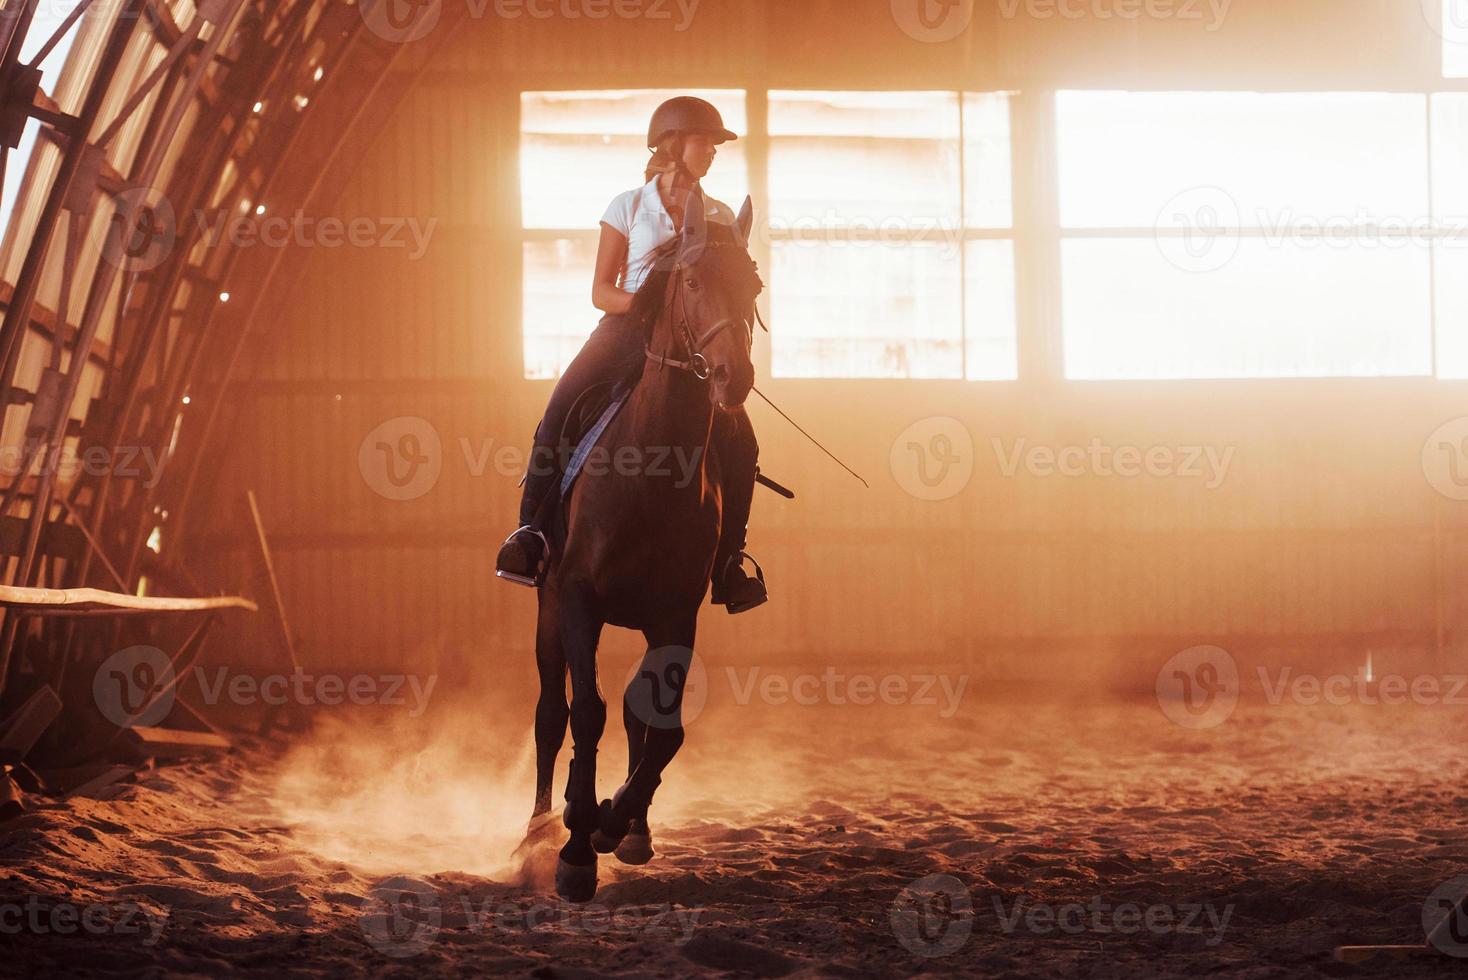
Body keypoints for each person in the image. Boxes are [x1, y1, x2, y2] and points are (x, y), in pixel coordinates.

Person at [496, 96, 768, 614]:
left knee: (743, 440)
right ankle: (529, 533)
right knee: (559, 407)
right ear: (673, 144)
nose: (711, 152)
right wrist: (640, 304)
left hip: (690, 344)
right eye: (703, 142)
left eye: (714, 145)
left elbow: (725, 285)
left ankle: (730, 561)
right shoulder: (626, 205)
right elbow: (600, 289)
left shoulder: (719, 214)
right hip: (623, 332)